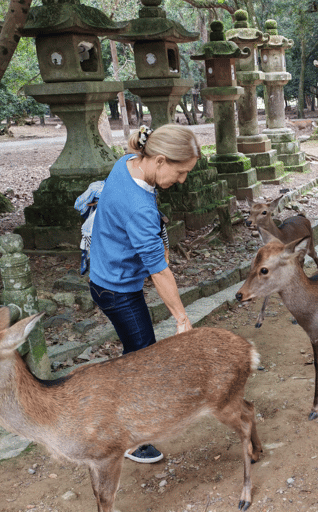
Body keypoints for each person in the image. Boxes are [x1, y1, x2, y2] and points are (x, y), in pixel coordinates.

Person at [89, 124, 200, 464]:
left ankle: (121, 412)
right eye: (180, 172)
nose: (182, 180)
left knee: (135, 353)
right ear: (160, 160)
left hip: (104, 273)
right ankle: (131, 439)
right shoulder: (139, 208)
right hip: (117, 289)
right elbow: (159, 271)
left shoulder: (127, 162)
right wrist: (181, 319)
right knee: (144, 359)